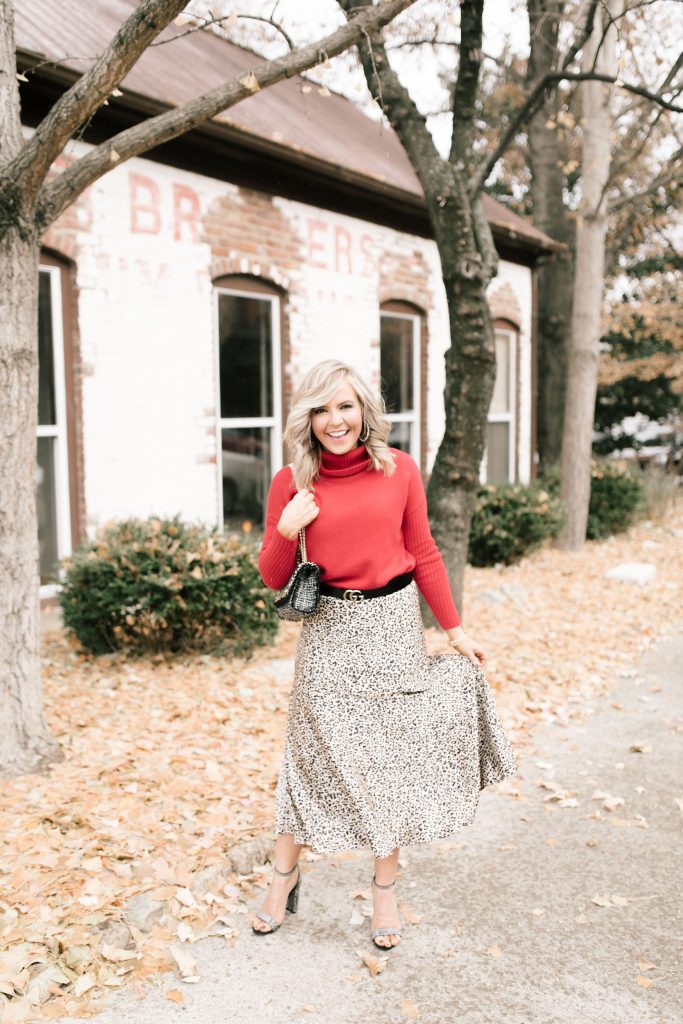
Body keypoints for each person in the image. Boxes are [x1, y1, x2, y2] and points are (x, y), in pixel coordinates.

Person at [250, 359, 518, 947]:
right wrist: (286, 527)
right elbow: (274, 578)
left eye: (344, 406)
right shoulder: (289, 481)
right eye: (321, 409)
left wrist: (455, 631)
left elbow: (422, 551)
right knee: (308, 755)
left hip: (394, 626)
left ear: (364, 410)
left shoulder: (400, 471)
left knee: (387, 764)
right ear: (308, 418)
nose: (334, 420)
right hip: (328, 628)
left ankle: (384, 893)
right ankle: (282, 878)